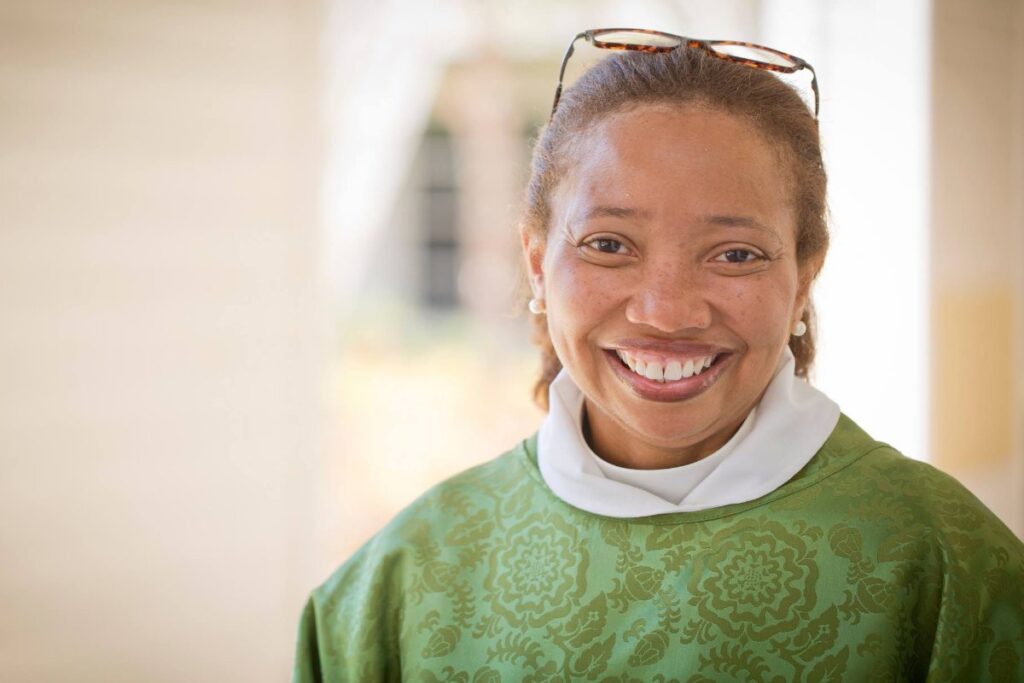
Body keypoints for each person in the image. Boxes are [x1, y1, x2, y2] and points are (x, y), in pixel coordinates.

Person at [293, 29, 1024, 682]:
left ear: (804, 276)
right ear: (538, 260)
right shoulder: (397, 584)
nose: (667, 310)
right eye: (609, 245)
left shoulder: (946, 568)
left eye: (734, 254)